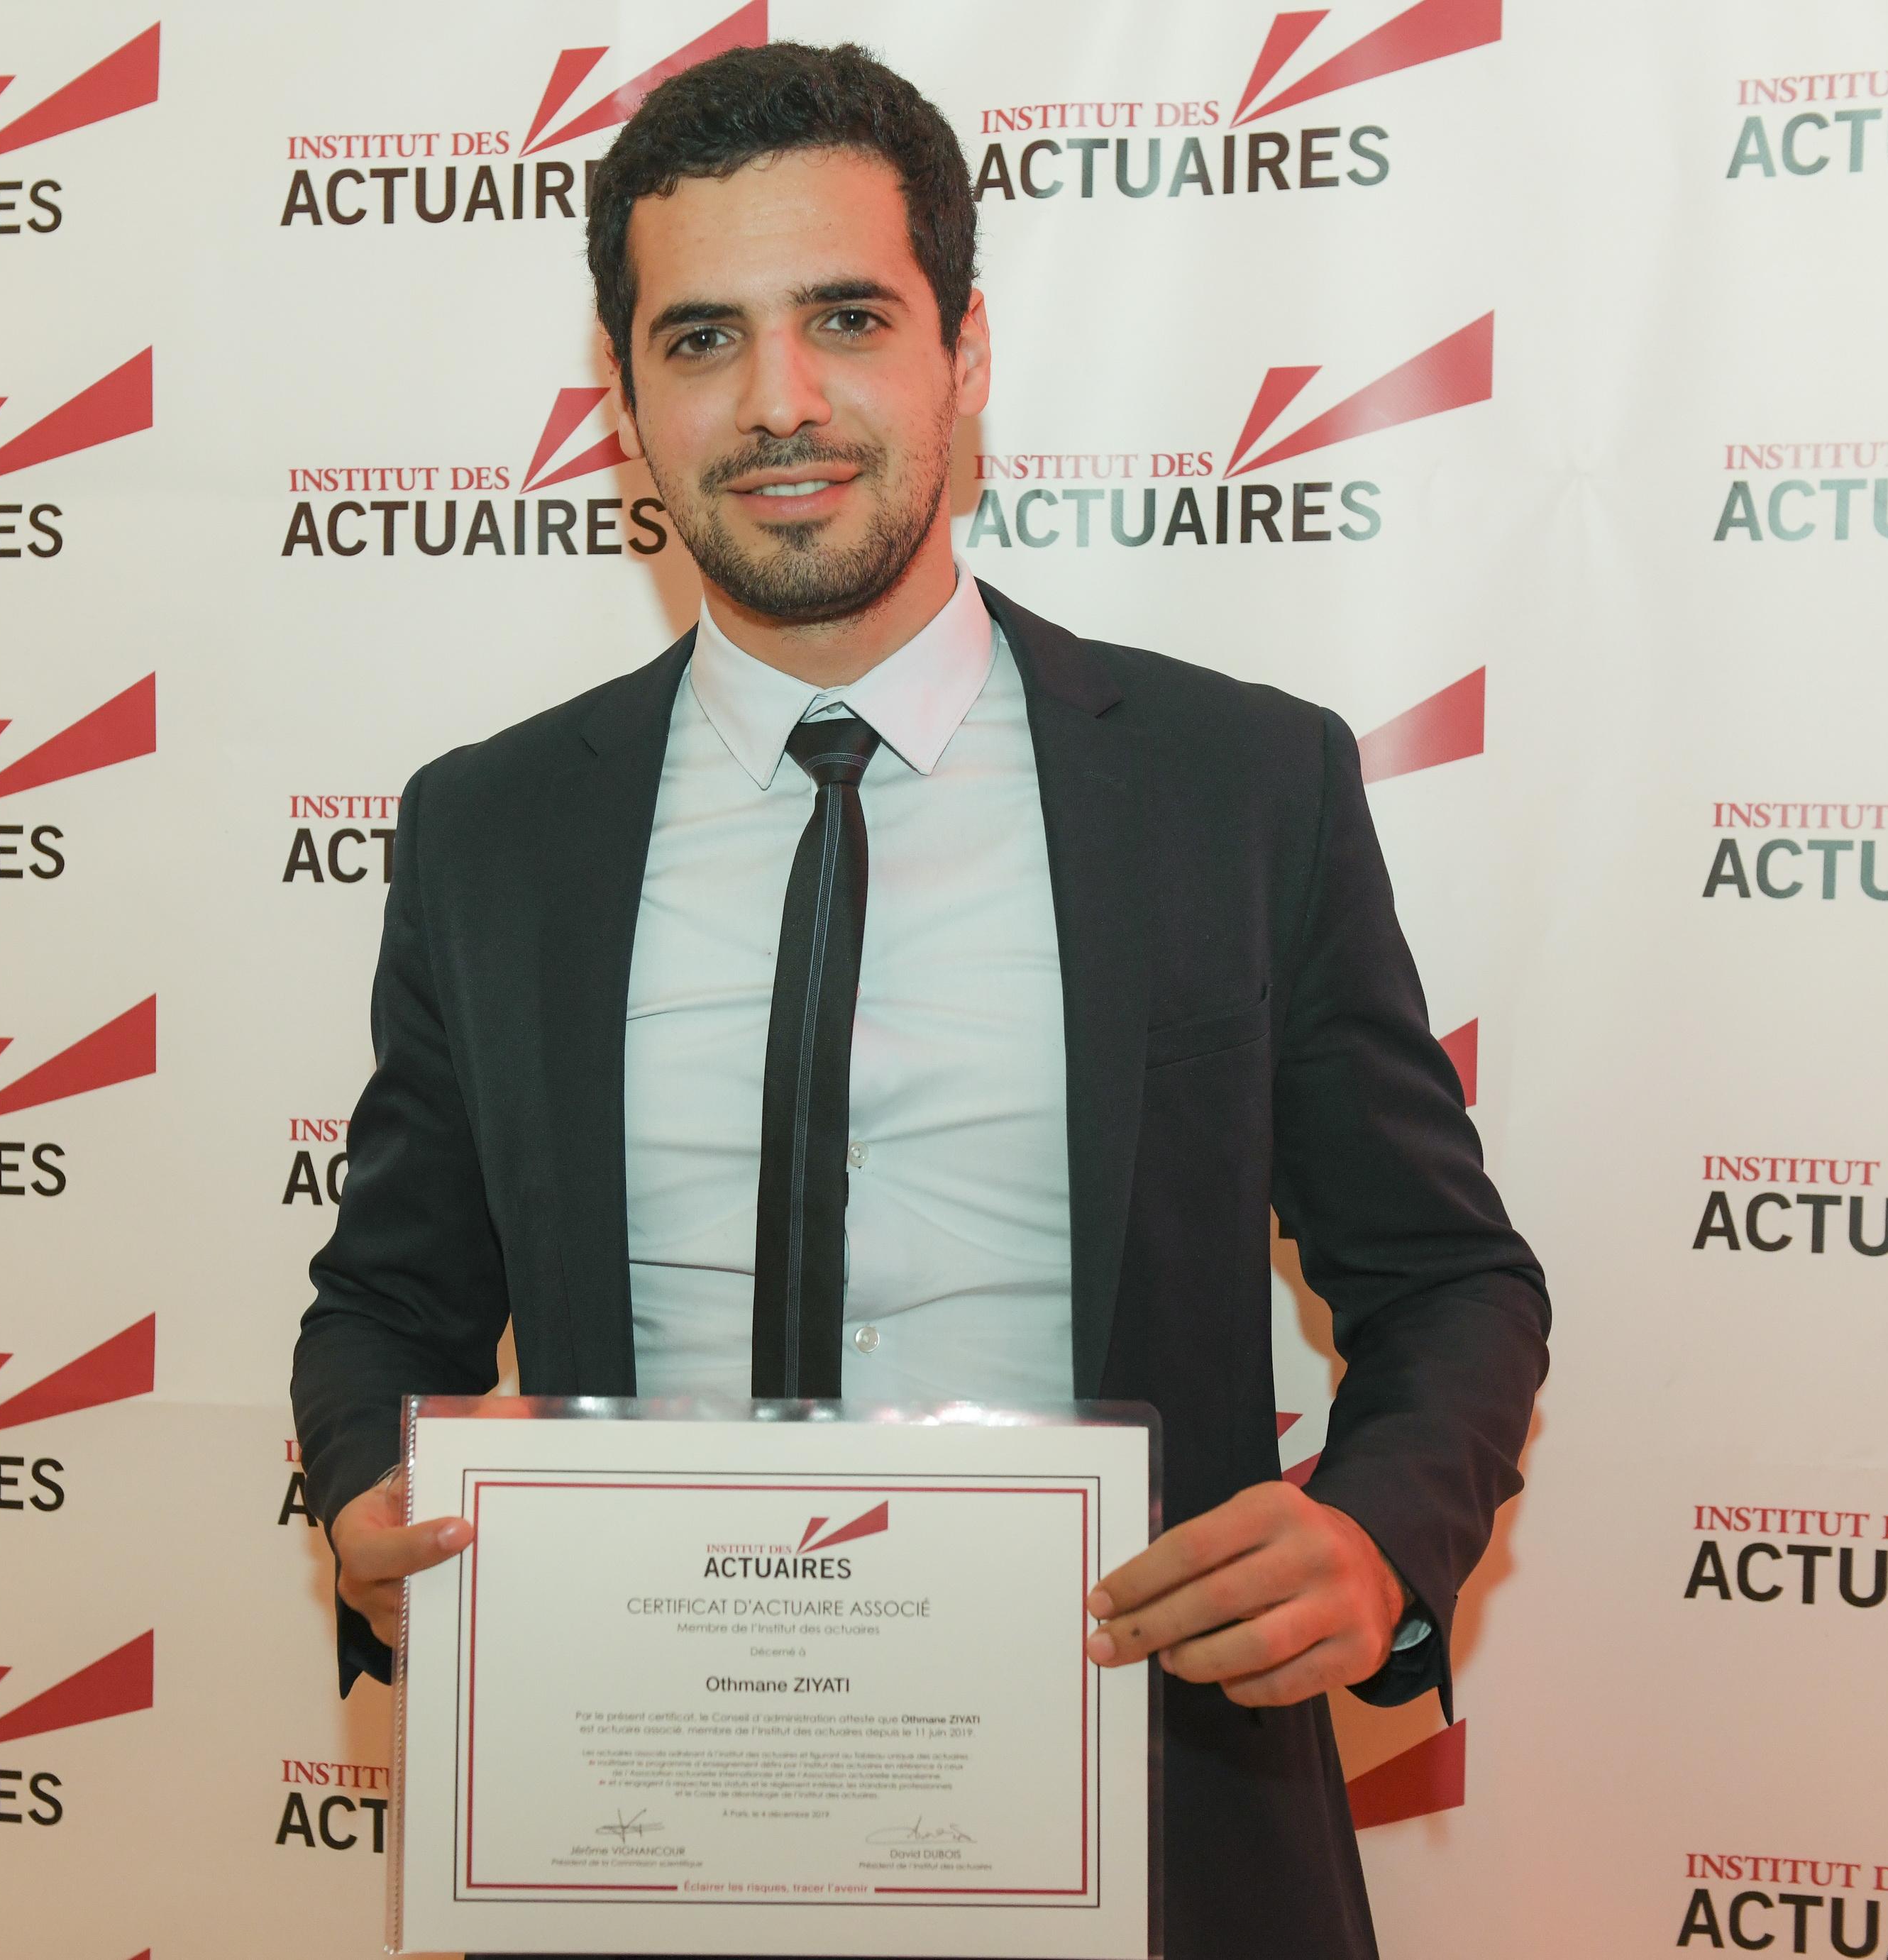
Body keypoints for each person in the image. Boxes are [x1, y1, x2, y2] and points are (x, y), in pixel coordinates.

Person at [292, 39, 1547, 1959]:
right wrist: (372, 1491)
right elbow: (389, 1297)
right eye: (701, 338)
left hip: (1150, 1823)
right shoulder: (493, 830)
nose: (777, 402)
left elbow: (1447, 1279)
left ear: (963, 351)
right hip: (628, 1842)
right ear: (622, 398)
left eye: (847, 319)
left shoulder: (1237, 787)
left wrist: (1375, 1535)